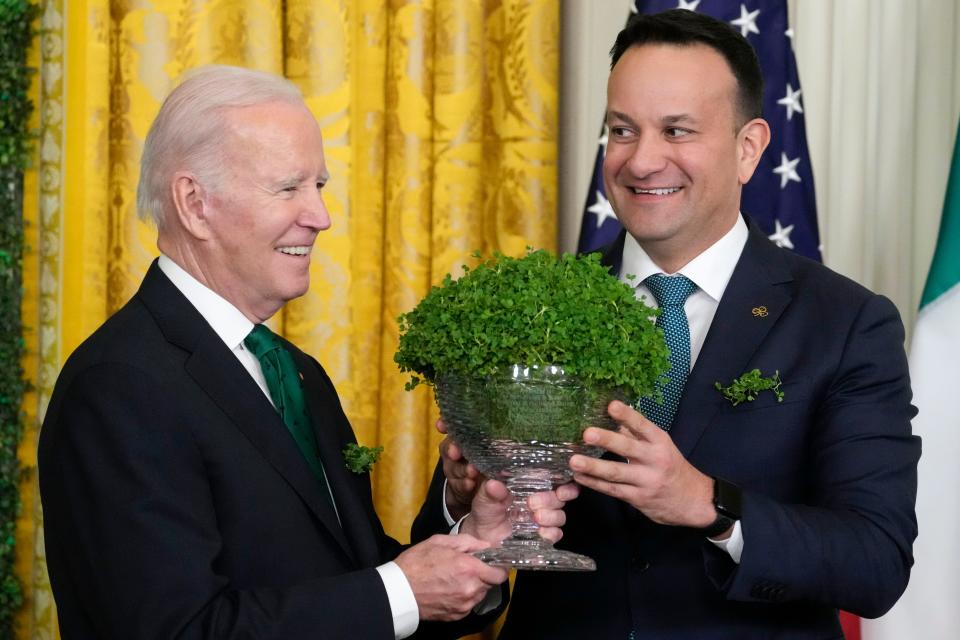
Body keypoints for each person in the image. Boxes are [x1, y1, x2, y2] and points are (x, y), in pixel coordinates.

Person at [414, 9, 921, 638]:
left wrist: (709, 505)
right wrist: (462, 507)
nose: (641, 161)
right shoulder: (533, 308)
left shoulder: (847, 323)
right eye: (622, 130)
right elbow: (435, 599)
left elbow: (874, 564)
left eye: (676, 131)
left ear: (748, 148)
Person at [37, 65, 573, 640]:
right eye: (289, 187)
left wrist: (476, 539)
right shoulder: (118, 387)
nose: (320, 217)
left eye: (318, 186)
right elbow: (174, 630)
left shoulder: (297, 373)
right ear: (195, 204)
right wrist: (402, 590)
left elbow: (354, 586)